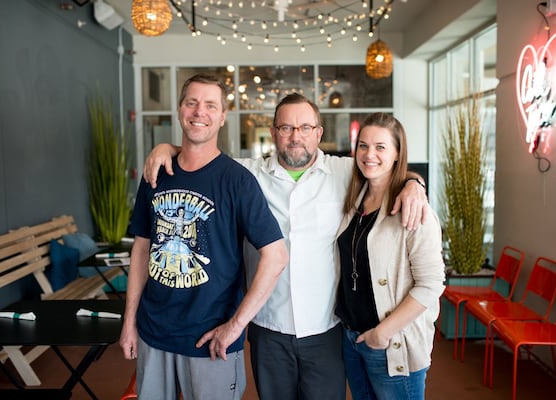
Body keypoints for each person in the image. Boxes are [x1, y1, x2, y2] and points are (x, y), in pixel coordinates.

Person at [144, 93, 428, 399]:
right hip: (268, 329)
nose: (296, 137)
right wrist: (166, 148)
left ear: (319, 133)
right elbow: (201, 154)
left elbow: (385, 170)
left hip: (326, 328)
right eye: (286, 128)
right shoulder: (246, 173)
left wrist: (414, 184)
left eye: (306, 128)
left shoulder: (345, 172)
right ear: (273, 132)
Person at [120, 73, 289, 400]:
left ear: (223, 117)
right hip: (154, 332)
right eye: (192, 103)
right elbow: (142, 249)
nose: (200, 112)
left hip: (211, 341)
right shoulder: (156, 173)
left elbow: (277, 256)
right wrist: (130, 321)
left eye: (211, 105)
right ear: (180, 110)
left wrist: (236, 326)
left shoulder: (238, 181)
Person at [335, 113, 445, 400]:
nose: (369, 154)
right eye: (363, 145)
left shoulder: (413, 209)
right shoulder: (354, 200)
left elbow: (431, 284)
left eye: (381, 147)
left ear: (398, 154)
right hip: (352, 338)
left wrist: (382, 333)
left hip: (390, 343)